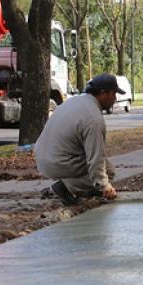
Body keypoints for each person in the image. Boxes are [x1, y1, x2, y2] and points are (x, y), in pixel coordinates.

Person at [34, 73, 122, 206]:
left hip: (43, 156)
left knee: (102, 170)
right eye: (113, 94)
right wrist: (105, 187)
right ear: (103, 93)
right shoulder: (94, 120)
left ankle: (70, 186)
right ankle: (66, 188)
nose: (115, 98)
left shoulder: (76, 101)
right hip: (57, 162)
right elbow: (96, 160)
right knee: (108, 171)